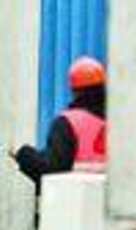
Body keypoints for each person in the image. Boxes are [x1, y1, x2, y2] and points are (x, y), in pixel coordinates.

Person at [11, 56, 108, 186]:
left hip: (74, 202)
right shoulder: (120, 120)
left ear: (74, 90)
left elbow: (52, 170)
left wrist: (24, 155)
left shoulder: (67, 122)